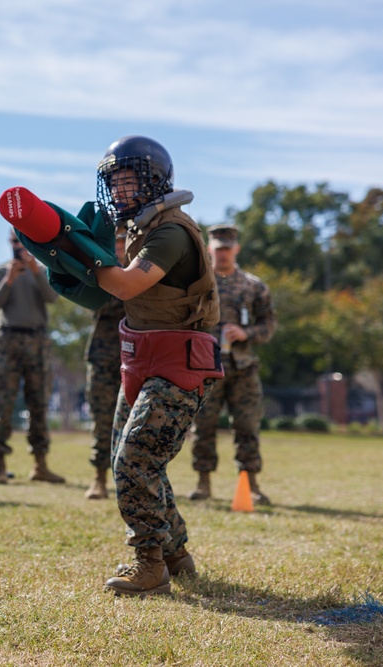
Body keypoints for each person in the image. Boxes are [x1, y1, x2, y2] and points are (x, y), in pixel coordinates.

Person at [88, 136, 223, 596]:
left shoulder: (170, 231)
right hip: (143, 359)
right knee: (127, 458)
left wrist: (76, 252)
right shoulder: (140, 230)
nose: (121, 191)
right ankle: (175, 554)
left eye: (129, 180)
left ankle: (149, 565)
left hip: (177, 365)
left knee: (136, 460)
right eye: (115, 182)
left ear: (155, 180)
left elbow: (125, 286)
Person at [189, 224, 277, 504]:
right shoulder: (198, 283)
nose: (223, 254)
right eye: (218, 249)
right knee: (203, 426)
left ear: (236, 249)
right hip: (205, 368)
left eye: (228, 249)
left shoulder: (253, 285)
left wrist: (246, 333)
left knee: (247, 427)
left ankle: (250, 484)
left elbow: (269, 324)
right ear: (209, 250)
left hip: (243, 368)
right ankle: (203, 483)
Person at [0, 231, 63, 485]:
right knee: (3, 403)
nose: (19, 247)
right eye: (15, 242)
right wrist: (9, 279)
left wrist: (35, 270)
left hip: (37, 342)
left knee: (39, 403)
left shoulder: (42, 270)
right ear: (9, 243)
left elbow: (52, 297)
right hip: (8, 341)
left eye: (23, 242)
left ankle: (40, 465)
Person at [83, 233, 127, 500]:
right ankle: (99, 479)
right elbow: (99, 303)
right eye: (116, 245)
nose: (120, 249)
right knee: (101, 421)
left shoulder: (145, 270)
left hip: (135, 356)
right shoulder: (99, 273)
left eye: (124, 244)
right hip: (103, 357)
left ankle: (130, 482)